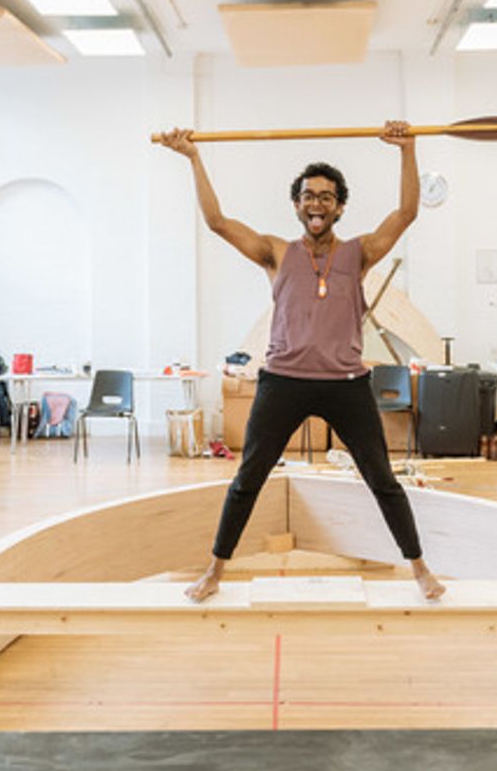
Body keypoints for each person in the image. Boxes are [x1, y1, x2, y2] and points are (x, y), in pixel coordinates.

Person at [158, 121, 445, 603]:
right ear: (297, 204)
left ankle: (419, 569)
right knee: (247, 479)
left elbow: (407, 211)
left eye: (327, 197)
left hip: (346, 384)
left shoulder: (361, 253)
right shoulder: (275, 252)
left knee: (382, 480)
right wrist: (192, 157)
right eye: (309, 195)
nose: (317, 203)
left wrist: (408, 150)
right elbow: (217, 222)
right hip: (282, 383)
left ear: (340, 207)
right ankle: (214, 570)